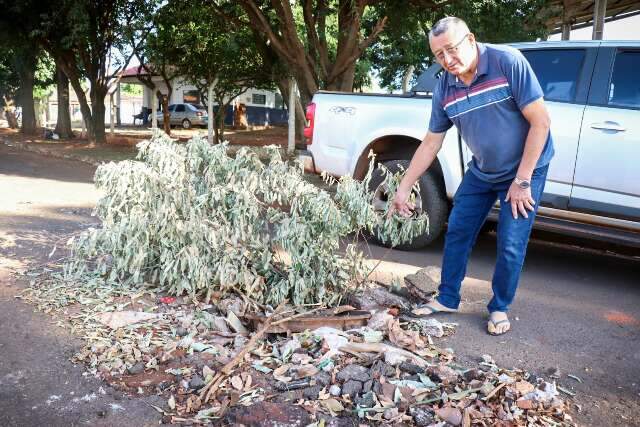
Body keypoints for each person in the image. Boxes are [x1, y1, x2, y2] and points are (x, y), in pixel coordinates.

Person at [390, 16, 554, 335]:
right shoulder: (445, 88)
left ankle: (499, 307)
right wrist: (404, 187)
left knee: (509, 243)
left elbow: (541, 123)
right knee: (458, 231)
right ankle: (448, 297)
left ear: (471, 39)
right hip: (482, 171)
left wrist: (522, 180)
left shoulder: (507, 62)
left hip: (524, 170)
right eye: (439, 55)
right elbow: (431, 142)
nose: (448, 60)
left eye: (452, 49)